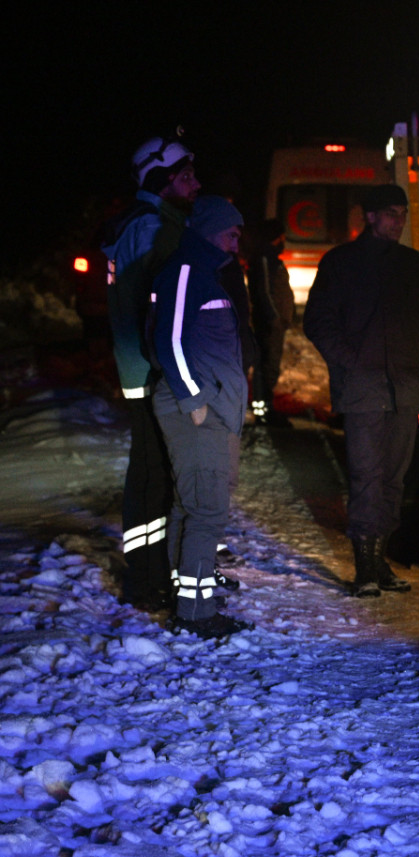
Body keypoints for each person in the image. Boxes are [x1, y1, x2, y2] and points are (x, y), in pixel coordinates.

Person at [303, 183, 419, 598]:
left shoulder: (415, 267)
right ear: (369, 216)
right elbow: (318, 321)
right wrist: (350, 359)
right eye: (390, 214)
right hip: (363, 390)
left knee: (394, 480)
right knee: (366, 477)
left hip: (402, 387)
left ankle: (379, 562)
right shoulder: (341, 264)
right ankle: (364, 568)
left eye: (402, 214)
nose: (398, 221)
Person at [99, 137, 201, 612]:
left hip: (144, 367)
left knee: (152, 473)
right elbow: (155, 309)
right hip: (152, 370)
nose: (195, 184)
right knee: (151, 476)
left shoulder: (146, 224)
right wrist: (175, 371)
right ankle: (147, 579)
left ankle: (152, 573)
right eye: (186, 177)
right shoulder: (152, 227)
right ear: (161, 181)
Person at [148, 196, 252, 637]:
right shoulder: (187, 271)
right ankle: (195, 614)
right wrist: (195, 401)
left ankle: (189, 595)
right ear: (209, 229)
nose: (236, 239)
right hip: (193, 408)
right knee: (206, 511)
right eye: (231, 231)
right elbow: (167, 341)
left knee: (191, 505)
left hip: (206, 407)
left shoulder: (203, 271)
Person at [249, 218, 295, 424]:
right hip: (268, 324)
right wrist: (274, 317)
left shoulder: (270, 258)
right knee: (266, 365)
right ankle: (263, 410)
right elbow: (264, 292)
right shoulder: (264, 258)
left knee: (269, 365)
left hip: (274, 323)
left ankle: (266, 407)